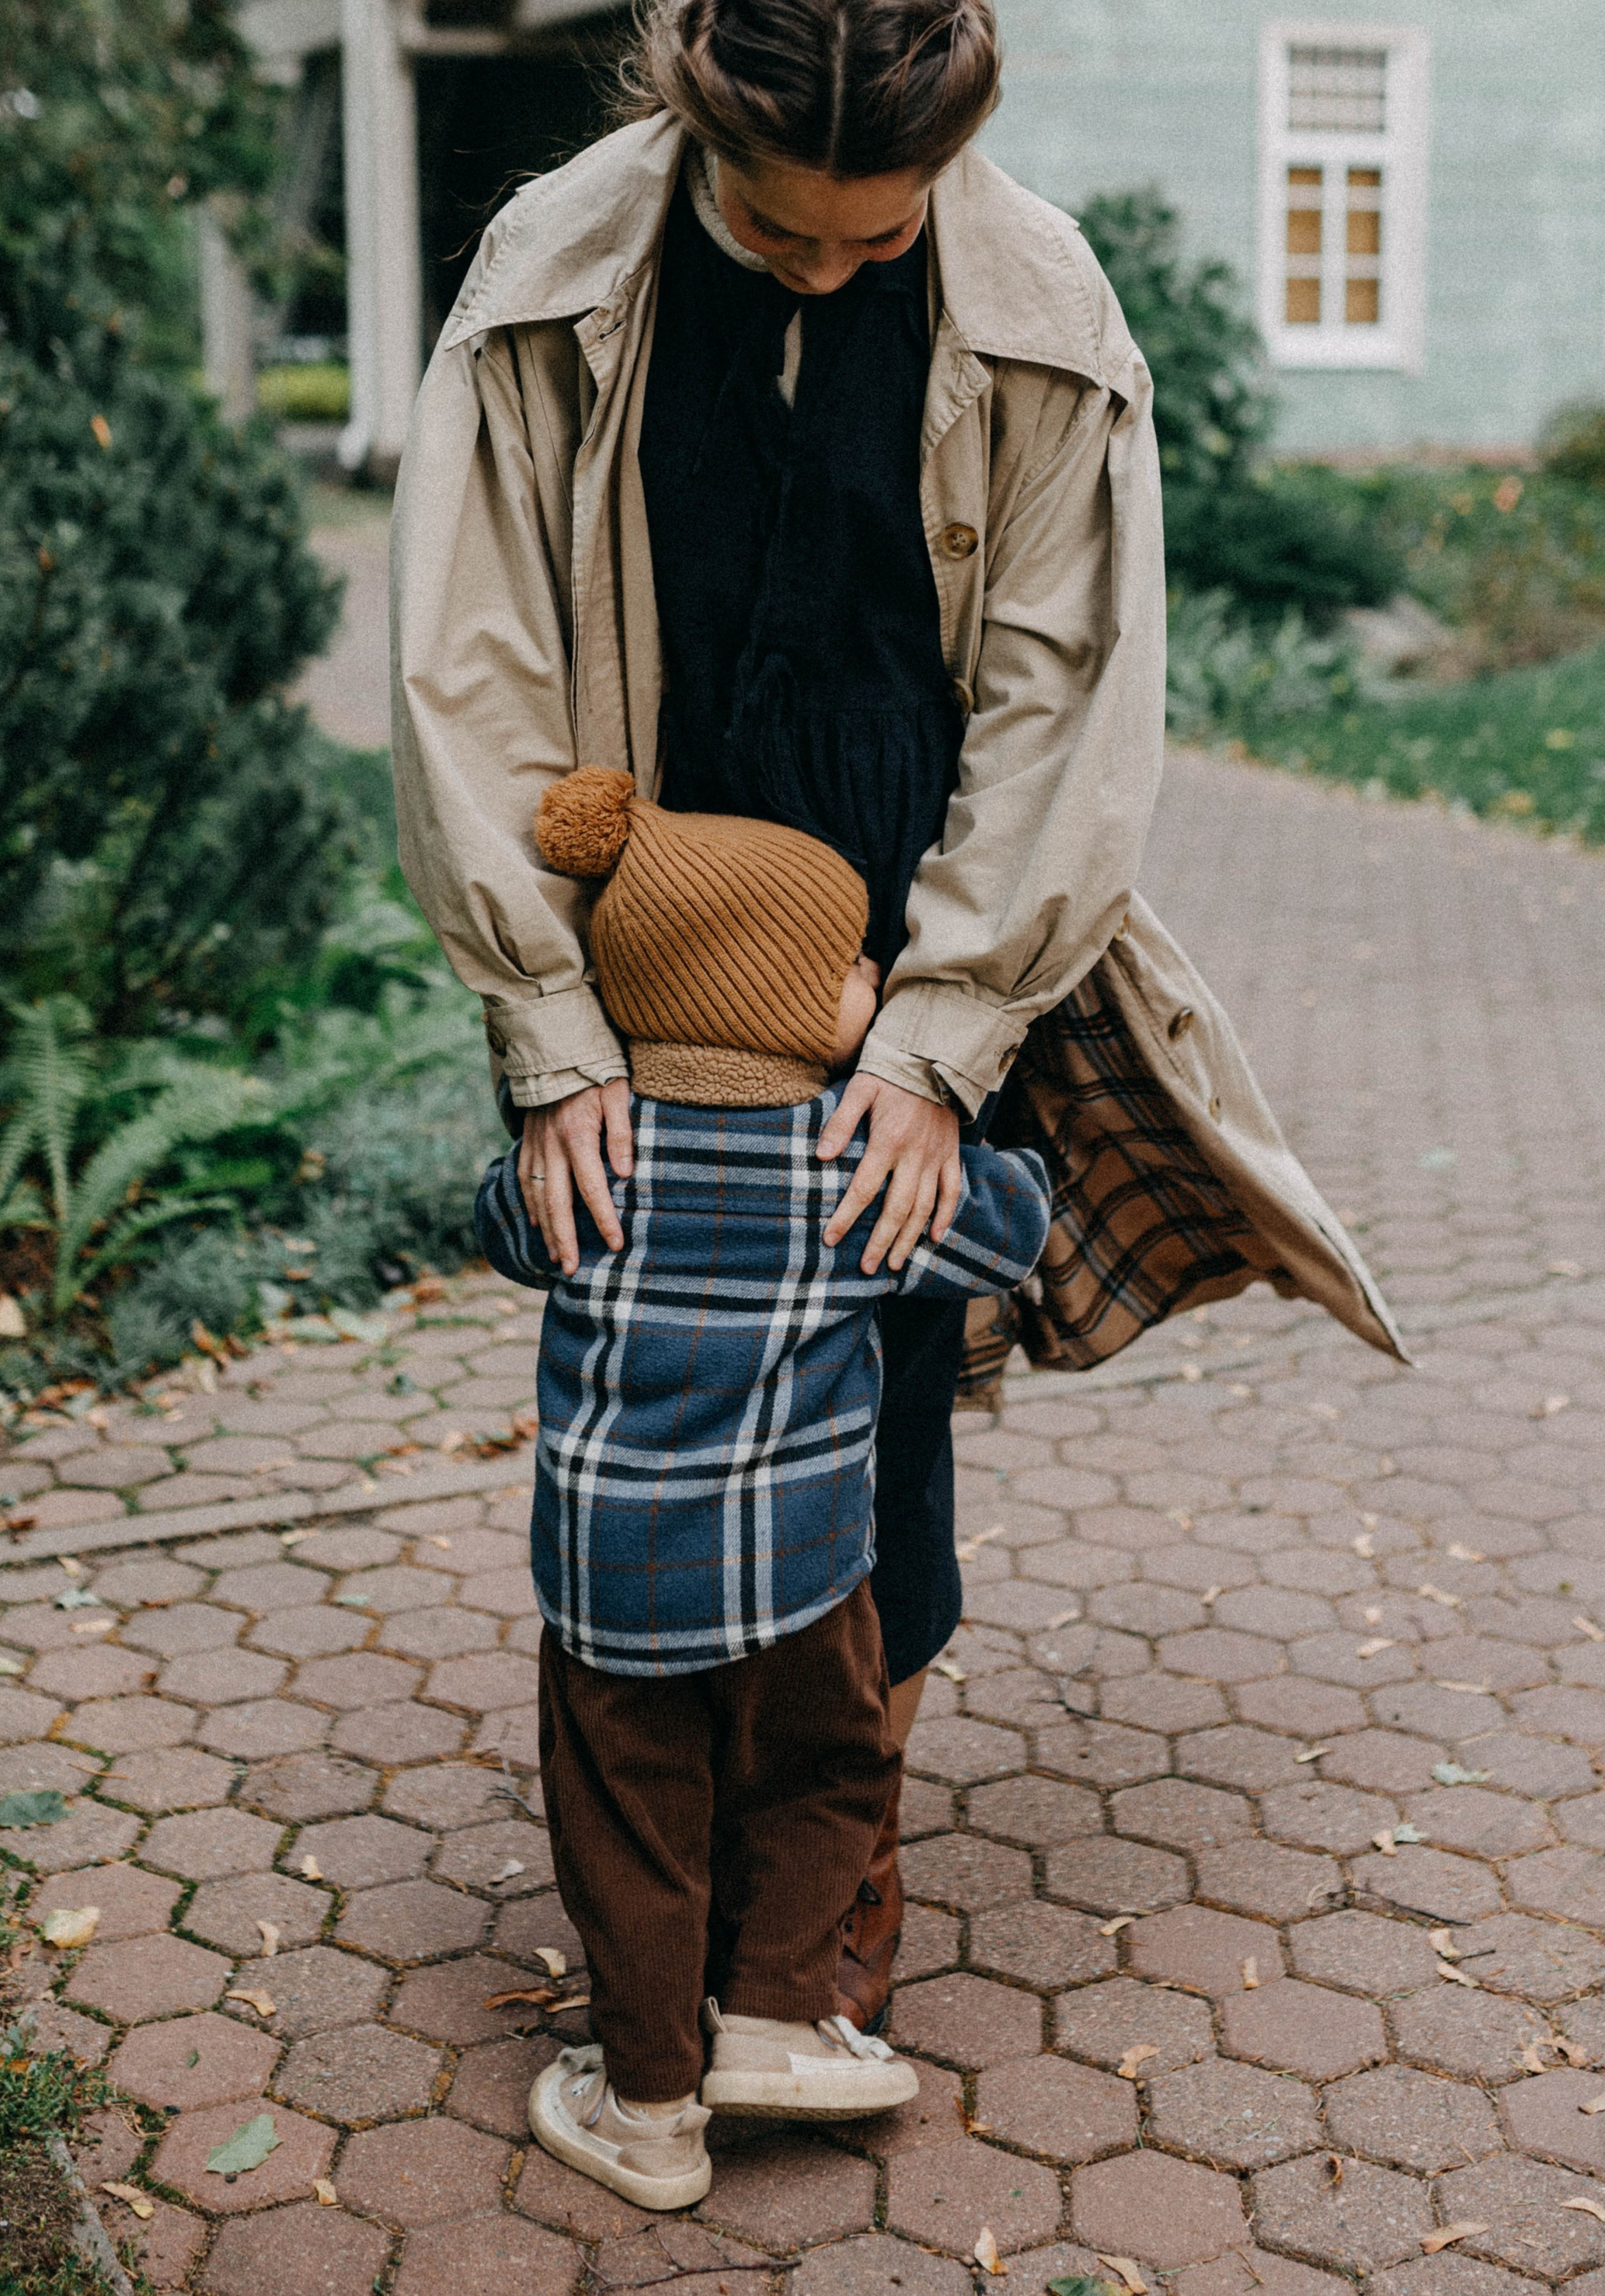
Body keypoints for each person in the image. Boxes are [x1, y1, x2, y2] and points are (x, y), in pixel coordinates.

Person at [392, 0, 1404, 2034]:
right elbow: (470, 668)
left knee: (886, 1390)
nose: (834, 269)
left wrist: (941, 1044)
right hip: (653, 917)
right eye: (786, 231)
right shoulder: (550, 278)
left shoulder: (1044, 313)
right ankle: (675, 1840)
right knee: (659, 1383)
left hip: (907, 929)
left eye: (884, 234)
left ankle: (826, 1879)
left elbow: (1062, 699)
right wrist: (548, 1032)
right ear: (693, 123)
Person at [471, 764, 1051, 2206]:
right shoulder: (849, 1160)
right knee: (825, 1773)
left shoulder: (592, 1154)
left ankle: (649, 2103)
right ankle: (783, 2016)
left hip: (612, 1585)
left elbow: (500, 1225)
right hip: (804, 1573)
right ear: (779, 993)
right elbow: (1010, 1232)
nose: (874, 979)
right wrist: (963, 1125)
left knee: (632, 1831)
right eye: (849, 963)